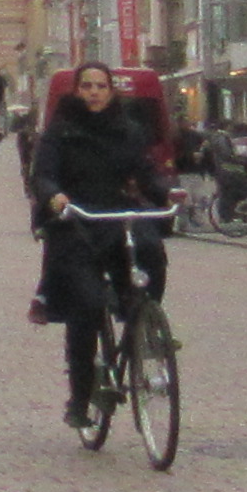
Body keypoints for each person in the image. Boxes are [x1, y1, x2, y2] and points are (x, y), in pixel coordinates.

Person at [32, 62, 162, 425]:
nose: (94, 92)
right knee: (87, 306)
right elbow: (42, 175)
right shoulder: (60, 132)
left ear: (111, 91)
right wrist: (53, 195)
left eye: (101, 86)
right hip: (75, 222)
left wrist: (167, 193)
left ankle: (146, 322)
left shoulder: (129, 130)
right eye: (87, 86)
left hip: (116, 216)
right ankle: (80, 396)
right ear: (77, 91)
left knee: (151, 250)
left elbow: (146, 173)